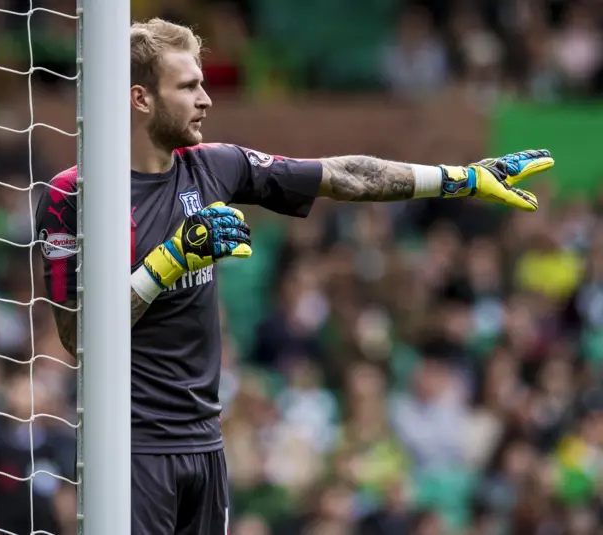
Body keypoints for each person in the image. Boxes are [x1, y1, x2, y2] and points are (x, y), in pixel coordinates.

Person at [35, 17, 554, 535]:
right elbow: (77, 336)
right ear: (140, 98)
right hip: (131, 447)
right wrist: (168, 264)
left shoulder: (215, 167)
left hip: (206, 445)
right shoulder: (74, 195)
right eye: (188, 86)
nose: (206, 98)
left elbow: (344, 175)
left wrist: (461, 180)